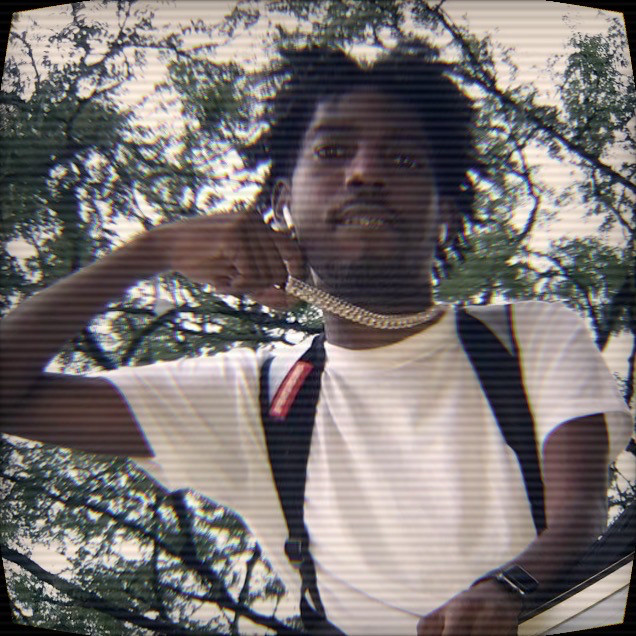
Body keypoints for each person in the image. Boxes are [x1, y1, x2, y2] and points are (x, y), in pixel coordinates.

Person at [1, 44, 631, 636]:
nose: (364, 173)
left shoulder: (533, 333)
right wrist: (150, 251)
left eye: (404, 159)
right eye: (332, 151)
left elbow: (580, 513)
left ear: (444, 210)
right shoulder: (250, 397)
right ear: (282, 202)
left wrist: (507, 589)